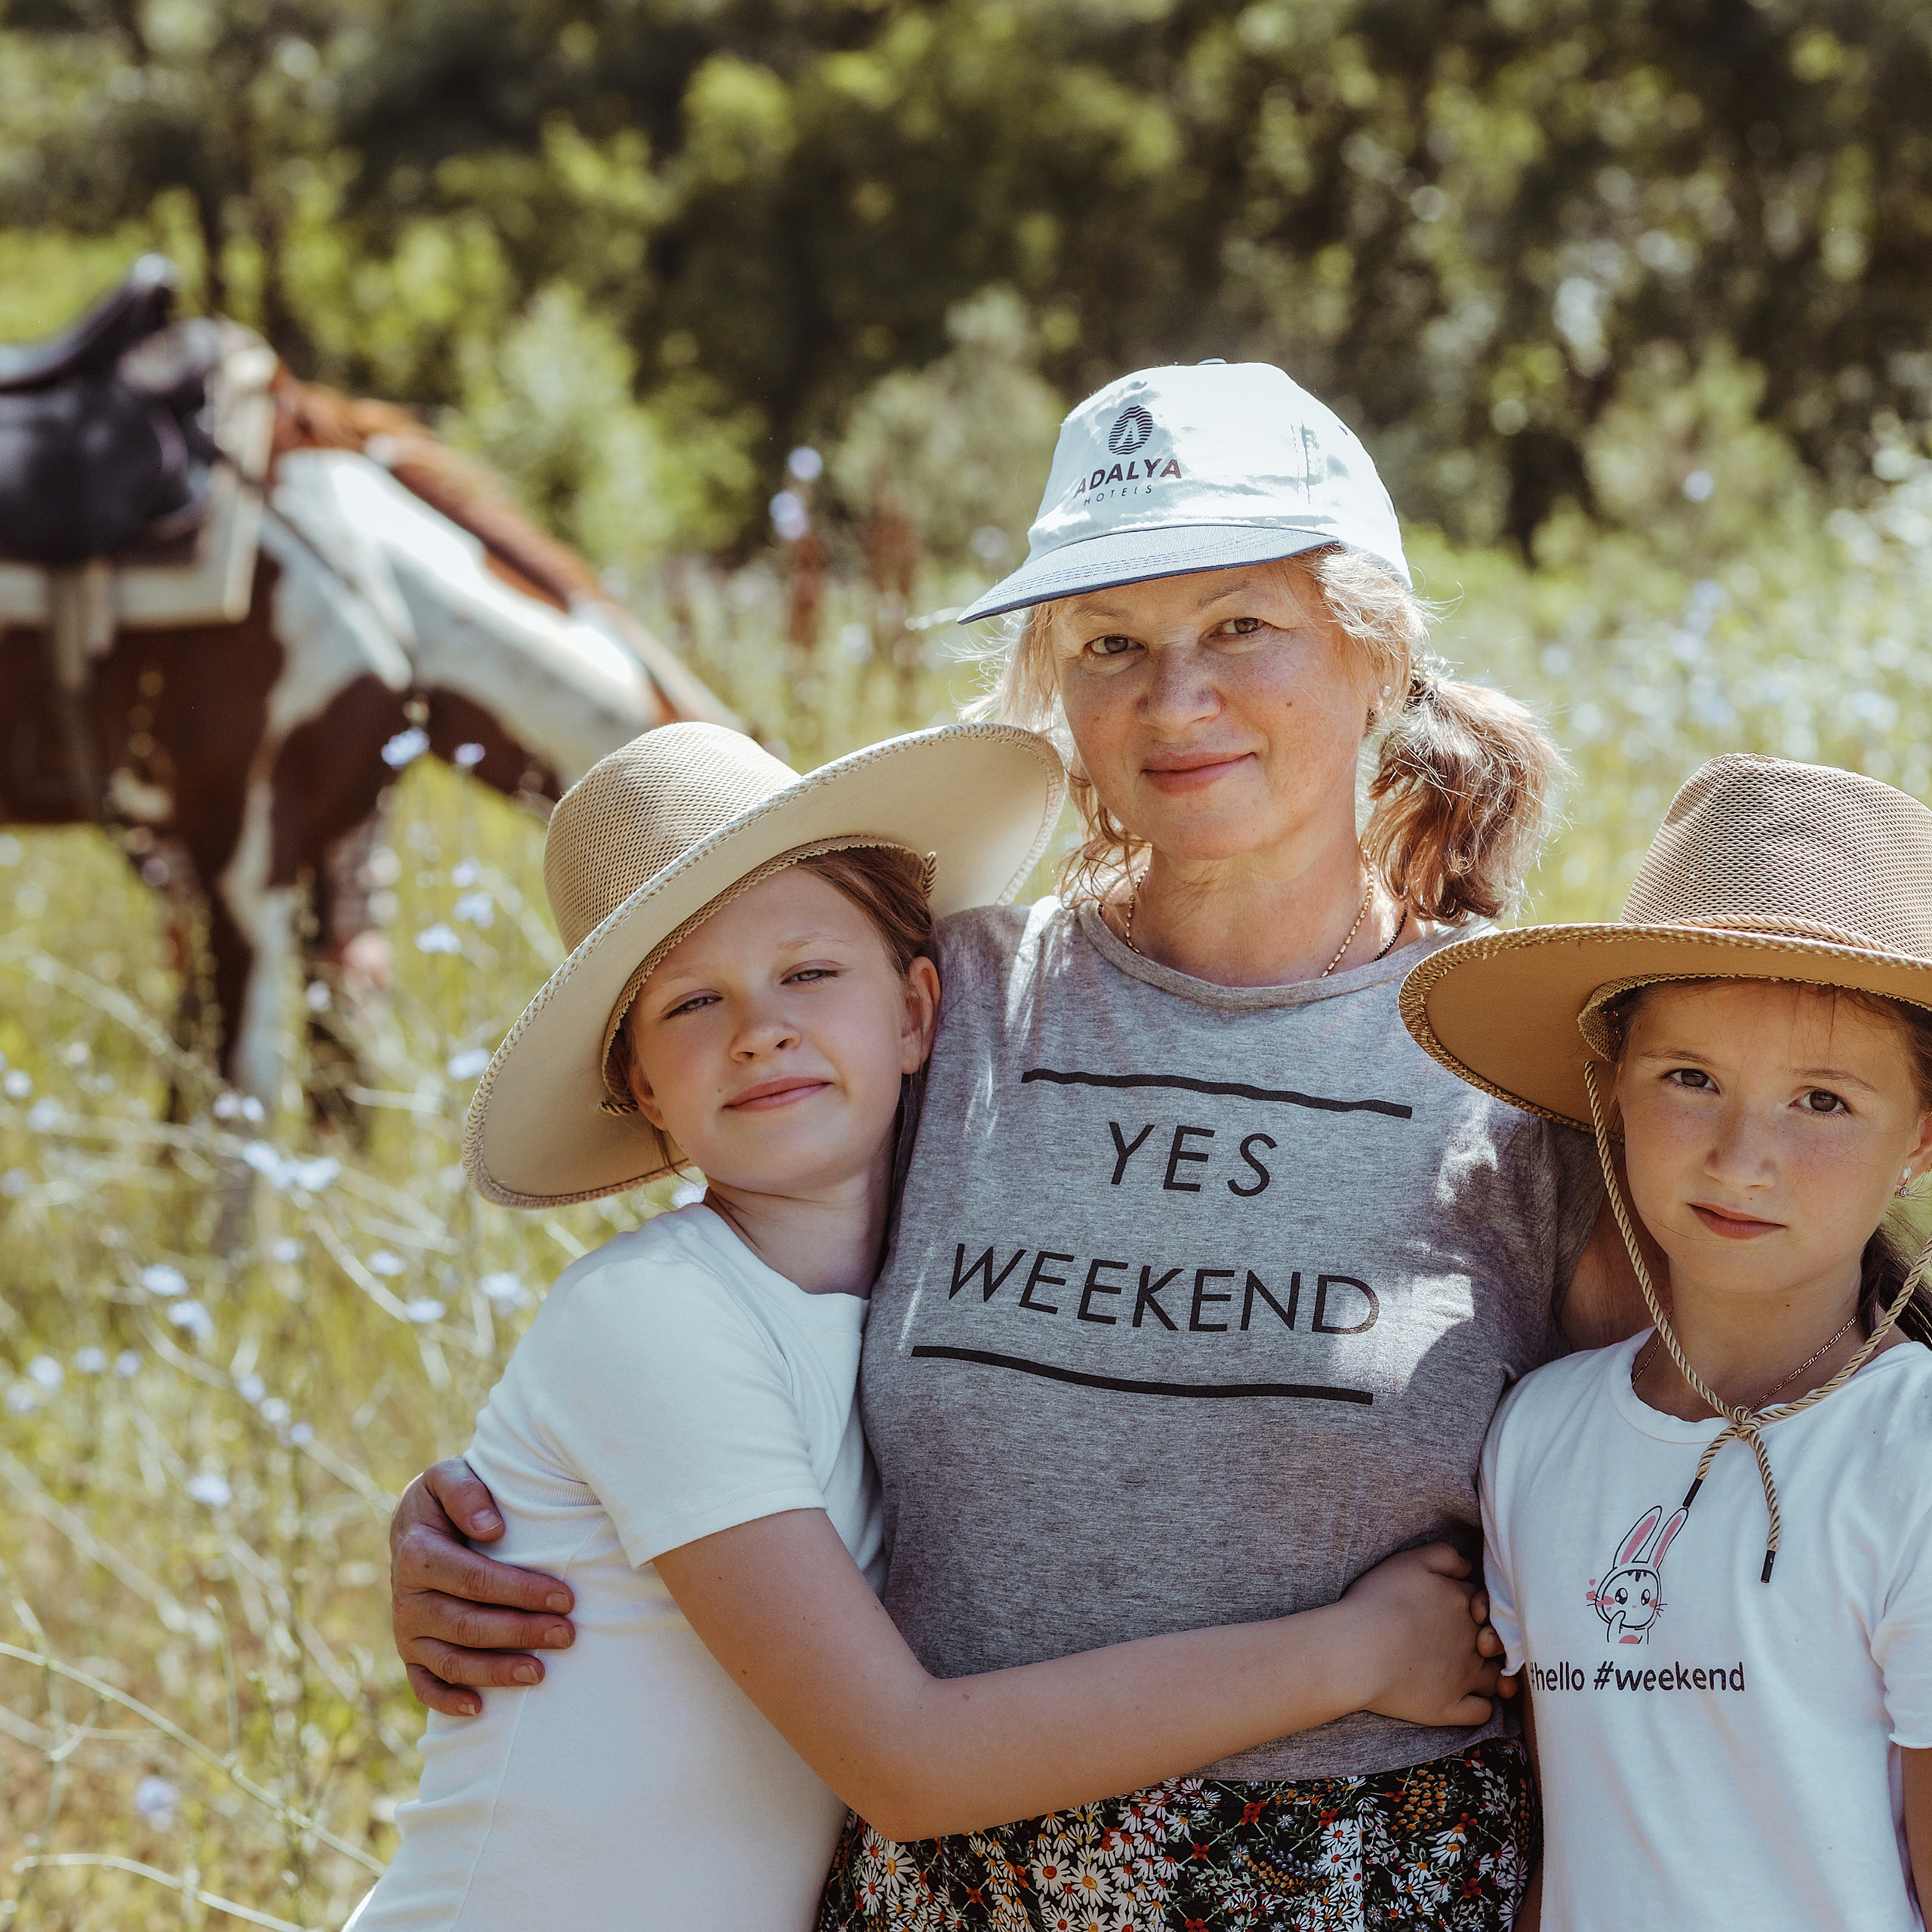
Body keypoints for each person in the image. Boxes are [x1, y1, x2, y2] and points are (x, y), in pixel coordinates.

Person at [390, 360, 1647, 1930]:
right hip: (943, 1888)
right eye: (1110, 643)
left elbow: (1683, 1476)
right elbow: (738, 1314)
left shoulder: (1515, 1067)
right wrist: (490, 1521)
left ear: (1376, 648)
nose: (1172, 700)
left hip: (1361, 1887)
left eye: (1238, 625)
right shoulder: (955, 1004)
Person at [355, 717, 1508, 1932]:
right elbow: (905, 1765)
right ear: (642, 1085)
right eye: (692, 1002)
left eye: (809, 973)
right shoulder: (657, 1317)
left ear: (915, 1012)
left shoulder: (919, 1290)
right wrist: (1357, 1655)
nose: (760, 1029)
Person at [1404, 752, 1932, 1931]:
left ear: (1921, 1138)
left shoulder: (1913, 1456)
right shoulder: (1538, 1435)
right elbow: (1577, 1842)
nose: (1743, 1159)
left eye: (1824, 1101)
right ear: (1613, 1091)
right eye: (1690, 1078)